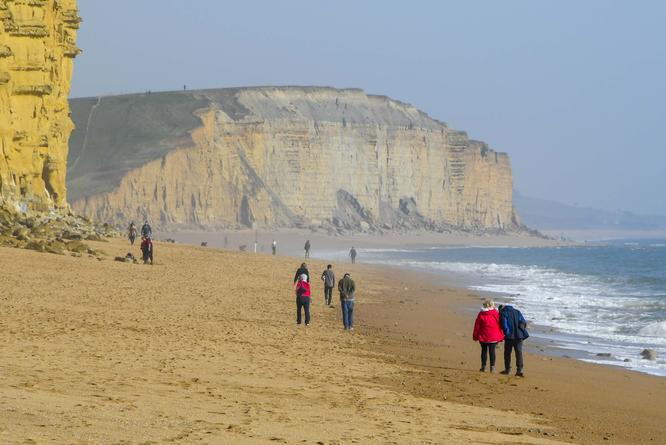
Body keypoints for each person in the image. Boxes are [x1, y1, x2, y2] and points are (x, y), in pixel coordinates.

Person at [472, 299, 504, 373]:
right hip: (493, 336)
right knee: (492, 351)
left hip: (483, 336)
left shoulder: (481, 314)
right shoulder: (495, 313)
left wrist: (475, 336)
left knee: (484, 351)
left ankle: (483, 367)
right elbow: (500, 324)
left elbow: (477, 326)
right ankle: (492, 367)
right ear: (491, 305)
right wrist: (501, 334)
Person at [498, 304, 529, 377]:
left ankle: (507, 369)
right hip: (519, 336)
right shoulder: (517, 311)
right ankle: (519, 370)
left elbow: (504, 325)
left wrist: (506, 332)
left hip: (509, 337)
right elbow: (523, 322)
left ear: (501, 309)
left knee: (507, 353)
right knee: (519, 353)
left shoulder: (504, 313)